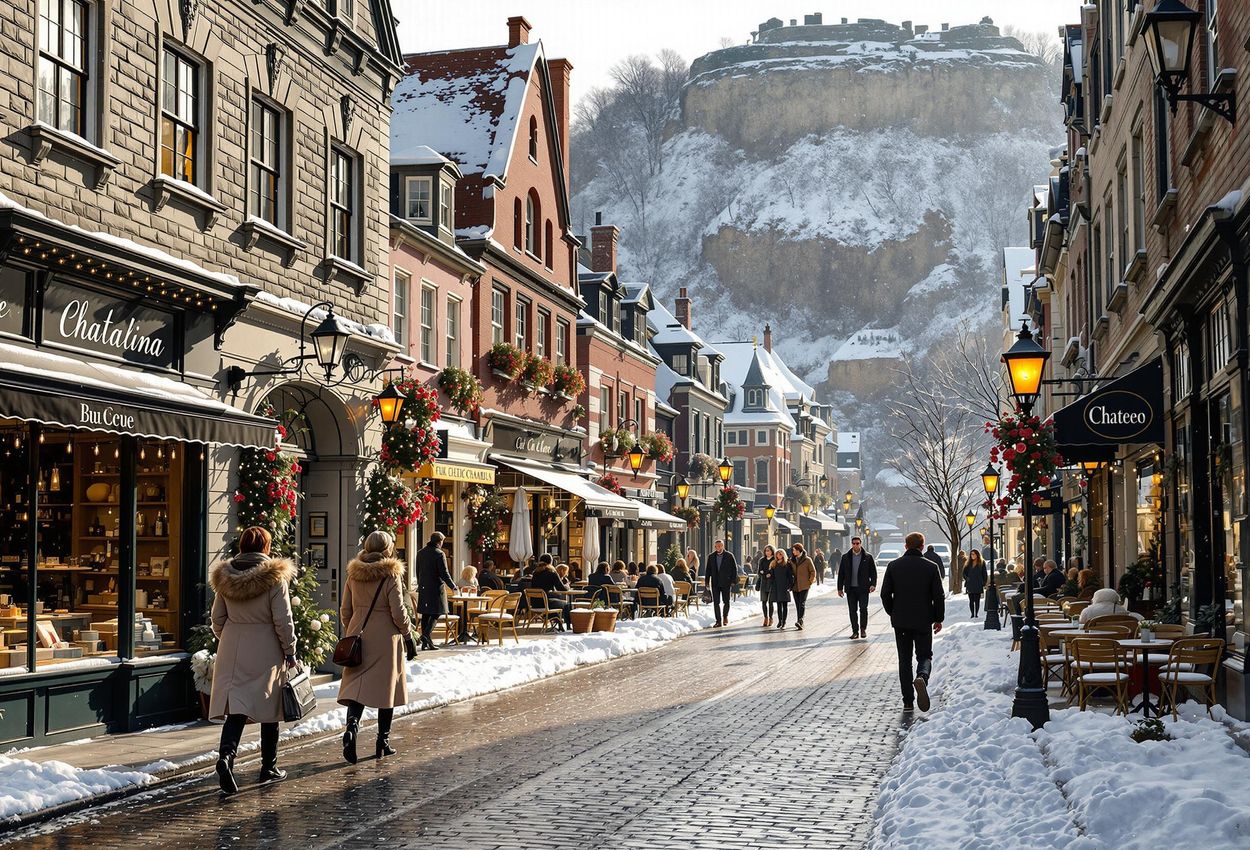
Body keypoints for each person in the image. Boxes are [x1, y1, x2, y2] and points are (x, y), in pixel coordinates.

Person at [208, 526, 297, 795]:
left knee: (236, 710)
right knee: (270, 710)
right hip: (265, 647)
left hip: (232, 647)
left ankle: (226, 758)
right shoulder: (274, 578)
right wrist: (290, 650)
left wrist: (232, 637)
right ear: (266, 547)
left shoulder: (225, 577)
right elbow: (283, 620)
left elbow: (217, 619)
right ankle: (268, 766)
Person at [339, 531, 413, 764]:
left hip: (358, 632)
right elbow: (398, 611)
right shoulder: (390, 574)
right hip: (385, 637)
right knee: (386, 690)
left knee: (358, 687)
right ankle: (383, 741)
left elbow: (345, 610)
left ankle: (352, 726)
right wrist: (408, 635)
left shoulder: (354, 573)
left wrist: (352, 629)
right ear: (387, 549)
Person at [880, 532, 945, 712]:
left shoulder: (893, 566)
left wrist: (892, 611)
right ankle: (922, 677)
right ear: (922, 546)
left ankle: (908, 700)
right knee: (925, 655)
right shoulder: (931, 567)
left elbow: (885, 594)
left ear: (905, 546)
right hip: (923, 619)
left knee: (904, 660)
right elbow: (938, 596)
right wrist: (938, 618)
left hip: (901, 620)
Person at [415, 531, 456, 651]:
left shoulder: (420, 553)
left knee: (426, 614)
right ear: (440, 541)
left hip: (423, 587)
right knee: (437, 612)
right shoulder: (439, 553)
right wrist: (452, 586)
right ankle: (425, 635)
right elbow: (444, 573)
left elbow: (418, 571)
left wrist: (420, 583)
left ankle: (426, 643)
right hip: (436, 588)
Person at [838, 536, 877, 639]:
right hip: (851, 589)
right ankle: (855, 631)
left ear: (861, 544)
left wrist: (873, 584)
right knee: (852, 610)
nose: (855, 545)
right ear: (852, 544)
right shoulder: (845, 557)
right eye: (854, 543)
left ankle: (863, 629)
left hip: (863, 588)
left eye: (857, 543)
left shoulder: (867, 557)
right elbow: (841, 573)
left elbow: (873, 572)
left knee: (863, 609)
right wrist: (840, 588)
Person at [705, 540, 738, 627]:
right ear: (715, 547)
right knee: (716, 602)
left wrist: (733, 581)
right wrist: (707, 581)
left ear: (723, 546)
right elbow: (708, 570)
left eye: (720, 546)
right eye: (717, 546)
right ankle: (718, 621)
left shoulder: (729, 556)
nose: (719, 548)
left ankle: (725, 616)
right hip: (715, 582)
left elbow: (734, 569)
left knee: (726, 601)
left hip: (726, 582)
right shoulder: (711, 556)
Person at [531, 560, 571, 628]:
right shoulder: (552, 573)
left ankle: (558, 620)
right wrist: (567, 585)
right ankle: (568, 626)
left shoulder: (535, 574)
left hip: (534, 603)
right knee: (566, 604)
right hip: (545, 603)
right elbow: (561, 588)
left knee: (553, 603)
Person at [1079, 587, 1144, 623]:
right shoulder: (1121, 610)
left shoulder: (1087, 611)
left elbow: (1081, 624)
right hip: (1117, 642)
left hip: (1093, 643)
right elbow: (1138, 619)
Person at [790, 543, 817, 630]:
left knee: (802, 603)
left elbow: (813, 571)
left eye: (794, 550)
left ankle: (800, 620)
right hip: (795, 586)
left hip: (804, 585)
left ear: (799, 550)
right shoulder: (792, 560)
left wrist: (809, 582)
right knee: (797, 604)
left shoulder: (807, 560)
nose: (793, 552)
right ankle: (799, 621)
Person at [771, 548, 795, 629]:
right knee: (778, 605)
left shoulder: (787, 564)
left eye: (781, 554)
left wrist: (790, 586)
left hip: (785, 587)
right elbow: (772, 576)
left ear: (783, 555)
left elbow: (790, 576)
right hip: (777, 586)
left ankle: (784, 622)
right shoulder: (774, 564)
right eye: (777, 554)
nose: (779, 555)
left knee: (784, 605)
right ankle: (780, 620)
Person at [963, 549, 988, 618]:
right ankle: (972, 614)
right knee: (971, 600)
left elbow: (984, 573)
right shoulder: (968, 563)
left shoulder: (982, 563)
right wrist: (967, 578)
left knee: (977, 600)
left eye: (973, 554)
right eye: (971, 554)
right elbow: (964, 573)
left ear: (977, 555)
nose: (972, 556)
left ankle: (976, 613)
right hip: (970, 583)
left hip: (978, 583)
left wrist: (984, 582)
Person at [757, 546, 776, 627]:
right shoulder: (762, 560)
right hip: (763, 583)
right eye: (766, 551)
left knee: (770, 602)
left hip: (771, 583)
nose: (767, 552)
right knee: (763, 601)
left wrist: (769, 573)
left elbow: (774, 571)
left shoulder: (774, 560)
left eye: (769, 551)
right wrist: (764, 573)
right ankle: (765, 617)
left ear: (772, 551)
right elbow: (759, 572)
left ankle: (771, 618)